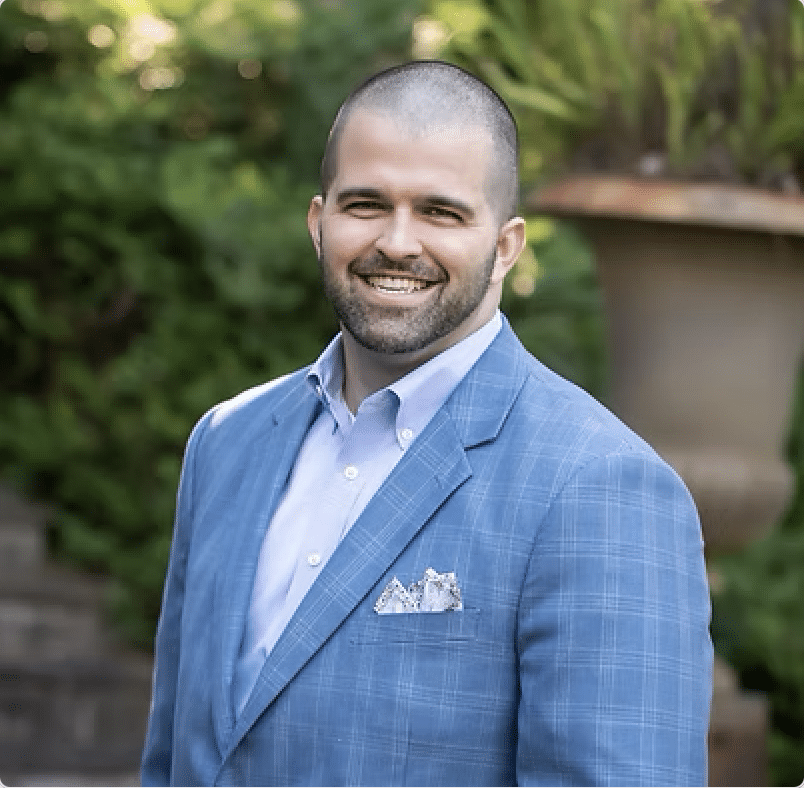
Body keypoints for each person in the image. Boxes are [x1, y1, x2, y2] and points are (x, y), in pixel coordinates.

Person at [140, 60, 713, 786]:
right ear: (320, 224)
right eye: (366, 203)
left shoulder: (600, 487)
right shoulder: (226, 444)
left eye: (441, 211)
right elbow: (171, 762)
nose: (399, 242)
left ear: (506, 247)